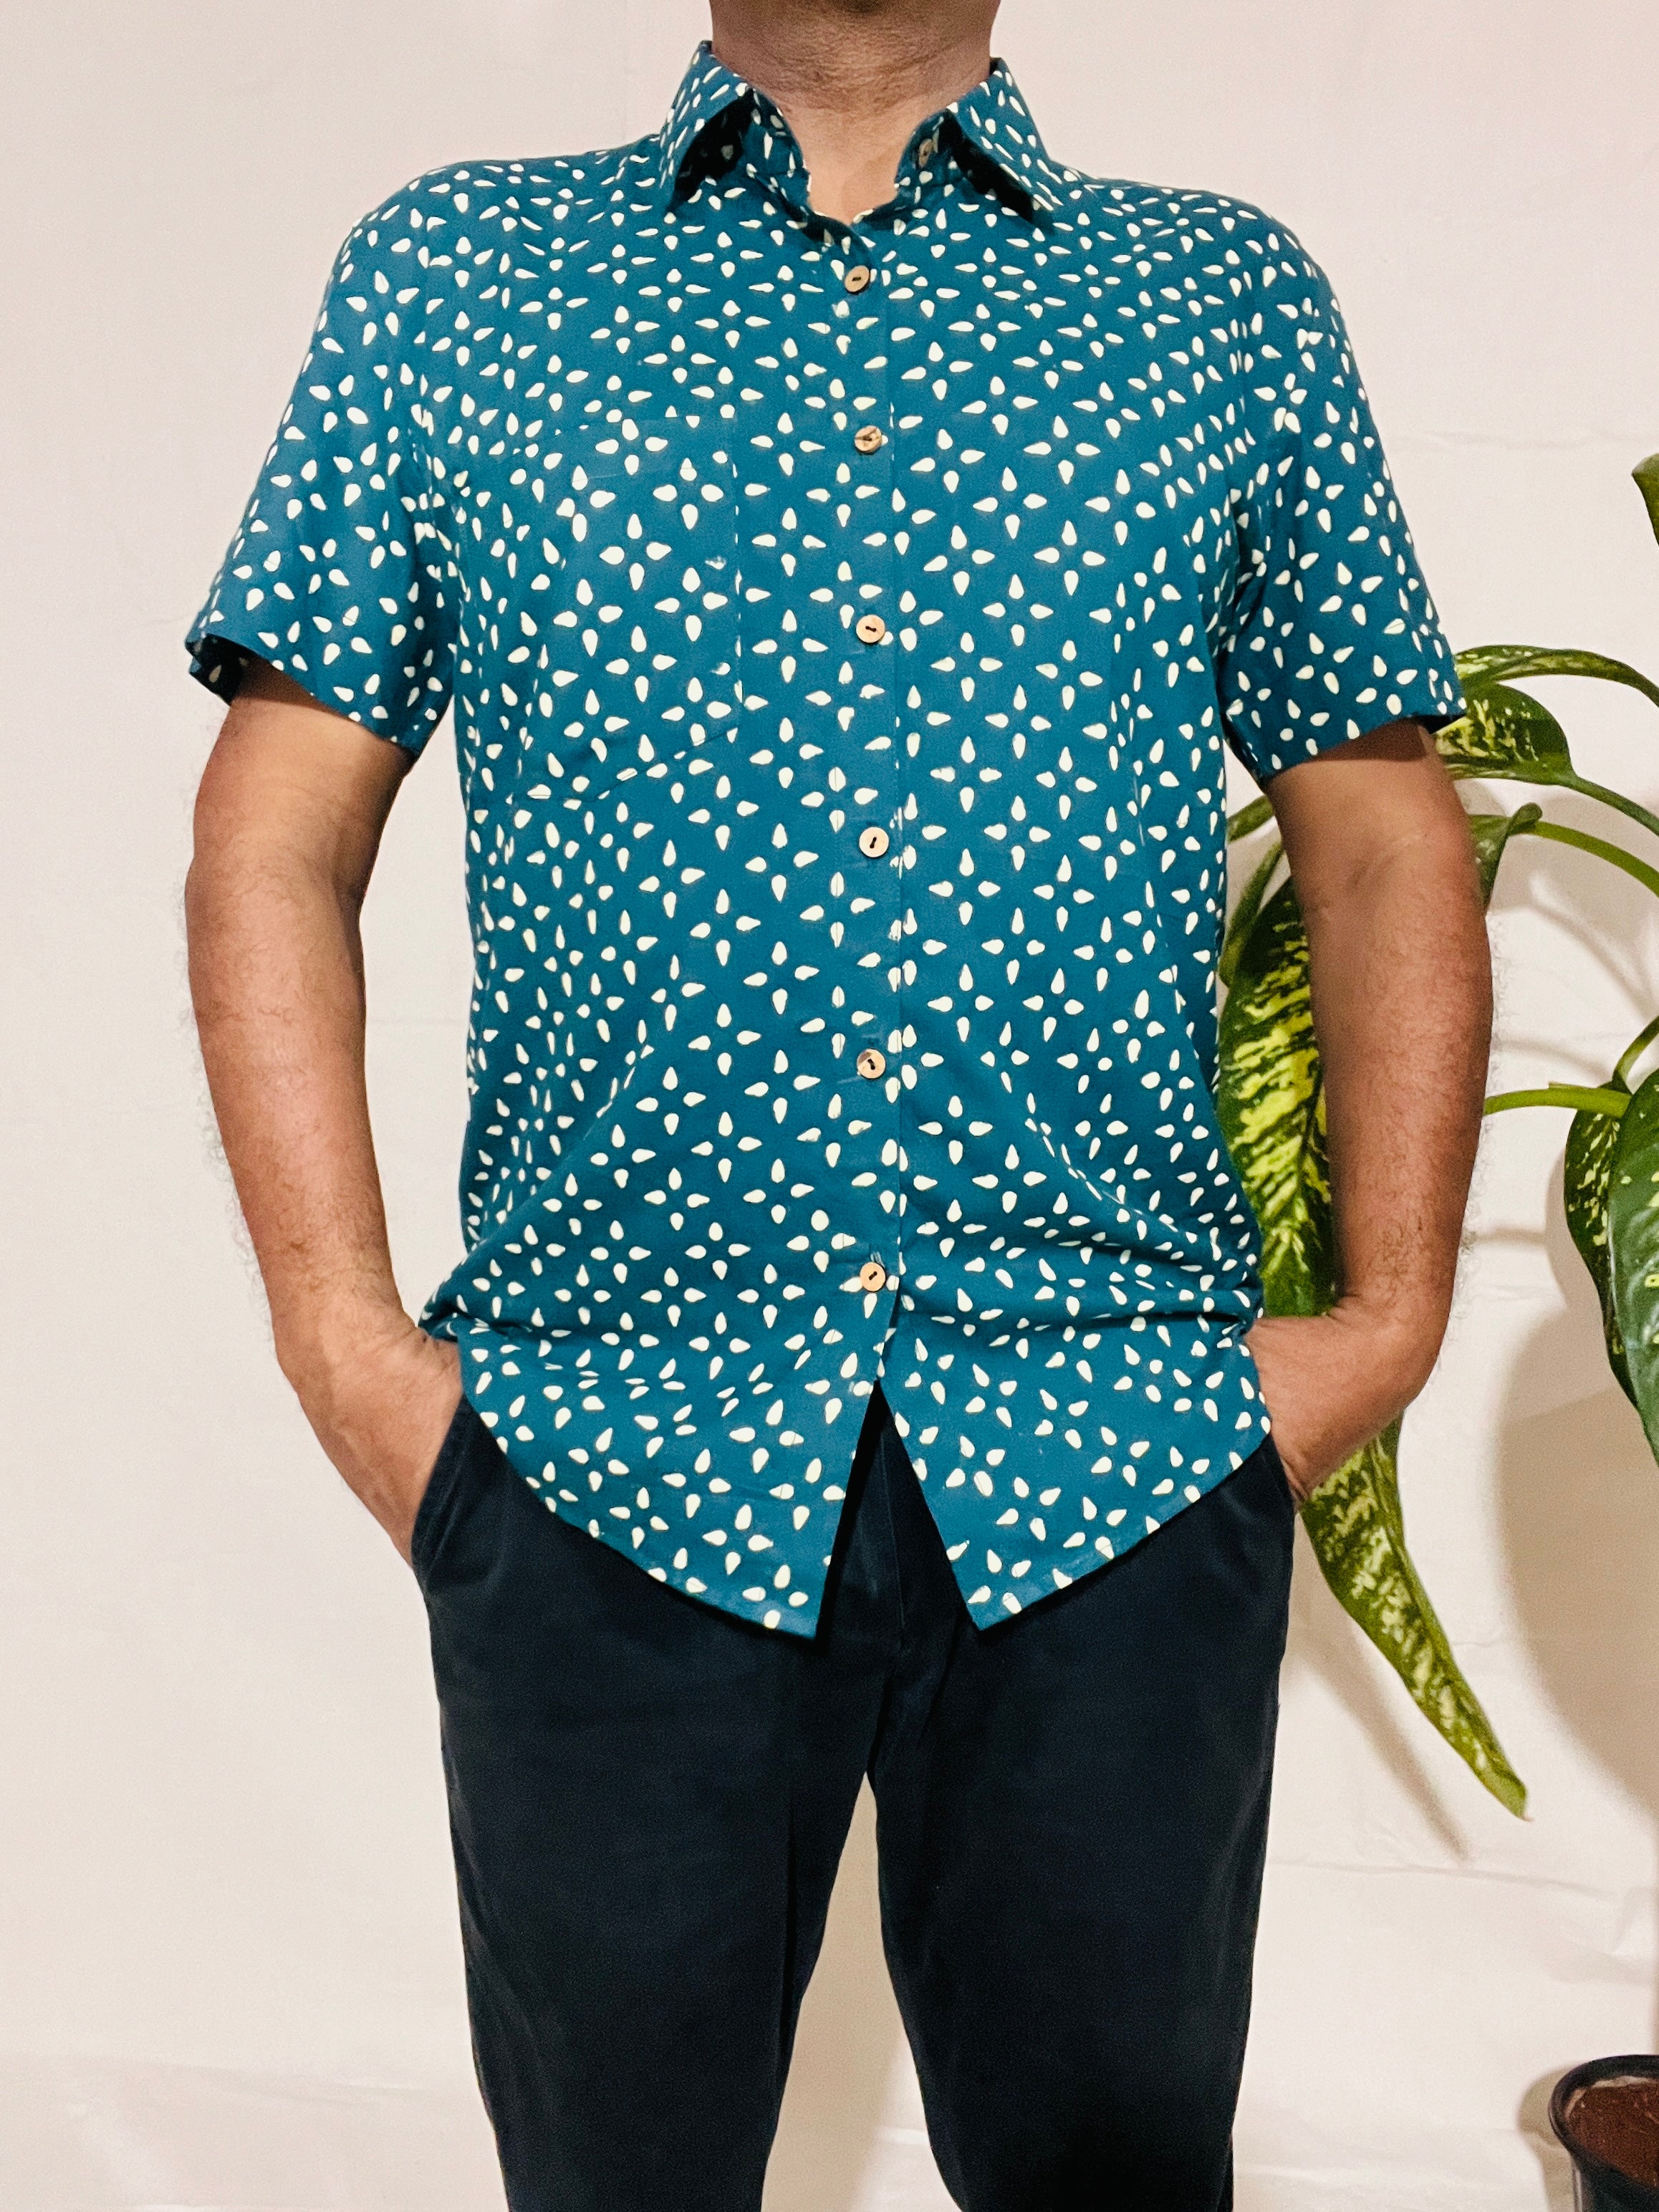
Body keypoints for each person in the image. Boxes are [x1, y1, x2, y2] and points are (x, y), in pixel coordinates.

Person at [183, 1, 1490, 2205]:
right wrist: (349, 1353)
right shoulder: (457, 277)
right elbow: (273, 836)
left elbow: (1375, 828)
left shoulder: (1221, 297)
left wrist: (1386, 1322)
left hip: (1116, 1454)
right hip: (600, 1457)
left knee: (1112, 2178)